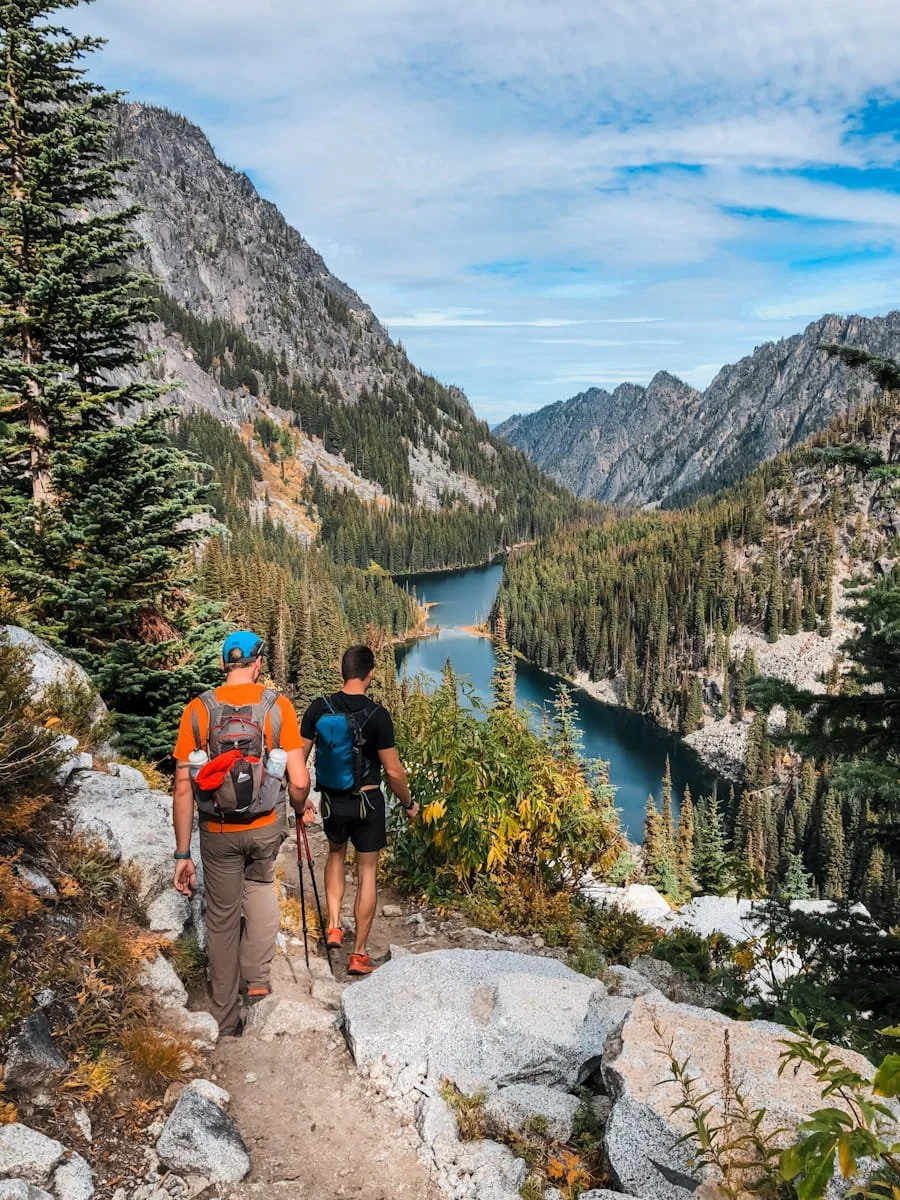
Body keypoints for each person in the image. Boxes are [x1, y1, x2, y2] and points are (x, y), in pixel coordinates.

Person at [171, 631, 312, 1035]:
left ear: (223, 665)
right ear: (258, 664)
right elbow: (300, 781)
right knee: (261, 888)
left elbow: (183, 787)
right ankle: (256, 983)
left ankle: (224, 1016)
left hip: (217, 831)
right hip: (265, 826)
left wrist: (183, 854)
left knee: (221, 917)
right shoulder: (276, 706)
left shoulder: (197, 711)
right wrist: (298, 808)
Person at [300, 644, 418, 976]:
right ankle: (359, 954)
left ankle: (334, 926)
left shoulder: (318, 708)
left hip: (332, 800)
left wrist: (301, 799)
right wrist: (408, 804)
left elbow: (299, 758)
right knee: (367, 871)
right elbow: (393, 772)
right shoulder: (377, 715)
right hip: (368, 802)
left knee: (335, 854)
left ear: (343, 671)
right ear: (370, 674)